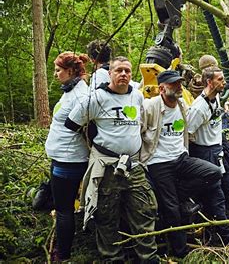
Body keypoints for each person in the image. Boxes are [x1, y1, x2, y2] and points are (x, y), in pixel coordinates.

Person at [65, 56, 159, 262]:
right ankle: (112, 258)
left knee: (144, 212)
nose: (123, 74)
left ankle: (148, 257)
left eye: (127, 70)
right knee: (107, 217)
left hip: (133, 165)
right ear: (110, 73)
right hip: (106, 167)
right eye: (119, 70)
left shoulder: (136, 95)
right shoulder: (97, 98)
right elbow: (72, 123)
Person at [141, 70, 225, 257]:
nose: (179, 87)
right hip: (158, 163)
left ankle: (174, 196)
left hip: (180, 158)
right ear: (162, 88)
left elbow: (188, 132)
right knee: (172, 210)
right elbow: (138, 132)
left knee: (213, 173)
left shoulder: (182, 106)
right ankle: (181, 252)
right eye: (173, 84)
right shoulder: (150, 107)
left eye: (179, 83)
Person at [188, 58, 229, 233]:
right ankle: (226, 233)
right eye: (220, 79)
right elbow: (187, 132)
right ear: (209, 82)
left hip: (218, 150)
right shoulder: (198, 108)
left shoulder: (215, 98)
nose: (224, 82)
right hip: (206, 154)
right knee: (217, 194)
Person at [44, 51, 90, 261]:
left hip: (69, 160)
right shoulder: (71, 90)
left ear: (70, 71)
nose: (55, 74)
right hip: (61, 157)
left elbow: (86, 128)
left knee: (63, 209)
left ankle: (62, 253)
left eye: (58, 70)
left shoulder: (81, 95)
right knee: (63, 206)